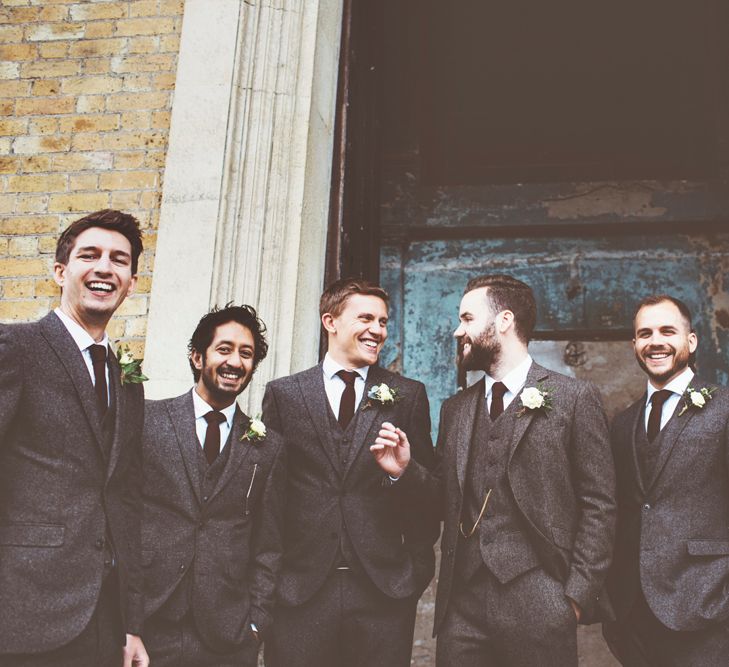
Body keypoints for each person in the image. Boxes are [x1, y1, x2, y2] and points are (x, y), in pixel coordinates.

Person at [376, 274, 616, 666]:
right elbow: (444, 497)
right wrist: (404, 470)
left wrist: (574, 597)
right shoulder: (456, 410)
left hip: (543, 598)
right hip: (462, 608)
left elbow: (600, 502)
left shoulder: (574, 398)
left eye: (467, 318)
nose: (458, 330)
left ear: (504, 320)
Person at [262, 277, 438, 667]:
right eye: (366, 319)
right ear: (331, 321)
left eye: (383, 321)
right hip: (300, 590)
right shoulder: (284, 394)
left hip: (383, 591)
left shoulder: (408, 395)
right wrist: (273, 578)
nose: (378, 330)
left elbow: (432, 498)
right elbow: (270, 496)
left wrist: (402, 474)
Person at [0, 209, 148, 666]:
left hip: (103, 620)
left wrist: (130, 624)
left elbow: (124, 500)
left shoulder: (128, 380)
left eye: (119, 260)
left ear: (131, 282)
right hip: (22, 610)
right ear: (61, 271)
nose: (105, 267)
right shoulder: (16, 348)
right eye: (90, 255)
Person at [140, 304, 285, 666]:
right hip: (149, 624)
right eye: (224, 349)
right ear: (197, 357)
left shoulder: (268, 446)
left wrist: (256, 622)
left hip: (229, 636)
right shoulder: (148, 421)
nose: (235, 362)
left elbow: (270, 543)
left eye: (246, 354)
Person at [604, 295, 729, 665]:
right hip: (632, 615)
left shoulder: (724, 408)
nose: (654, 341)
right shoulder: (623, 422)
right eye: (644, 334)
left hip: (707, 608)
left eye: (667, 331)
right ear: (635, 345)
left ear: (690, 342)